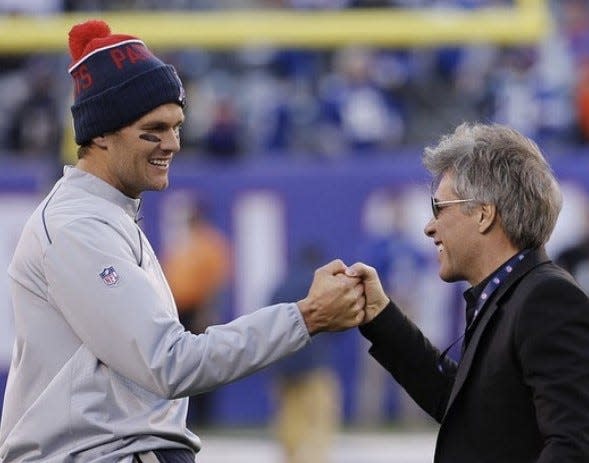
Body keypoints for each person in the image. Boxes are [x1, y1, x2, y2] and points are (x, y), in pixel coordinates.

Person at [0, 20, 366, 463]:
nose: (173, 143)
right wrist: (305, 317)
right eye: (155, 128)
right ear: (99, 133)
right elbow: (167, 362)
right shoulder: (78, 226)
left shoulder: (108, 216)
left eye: (177, 126)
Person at [346, 122, 589, 462]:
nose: (429, 226)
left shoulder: (547, 299)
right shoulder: (508, 294)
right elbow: (466, 409)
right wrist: (380, 315)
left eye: (439, 208)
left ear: (484, 215)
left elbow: (573, 447)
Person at [268, 244, 341, 463]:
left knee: (289, 416)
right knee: (318, 417)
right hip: (312, 363)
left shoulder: (280, 286)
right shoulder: (318, 286)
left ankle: (290, 457)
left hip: (282, 362)